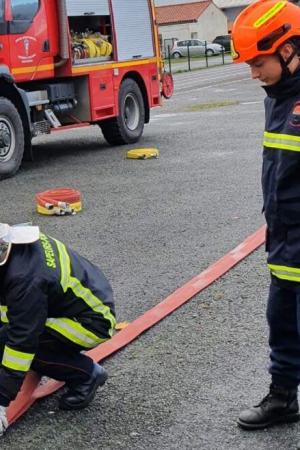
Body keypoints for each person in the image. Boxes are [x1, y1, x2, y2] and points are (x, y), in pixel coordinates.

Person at [0, 211, 116, 439]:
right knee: (6, 339)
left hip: (92, 321)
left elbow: (22, 342)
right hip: (72, 304)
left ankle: (87, 374)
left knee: (28, 352)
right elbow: (9, 313)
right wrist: (1, 361)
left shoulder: (25, 279)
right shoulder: (12, 249)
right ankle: (7, 360)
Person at [231, 0, 300, 431]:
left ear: (288, 49)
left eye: (258, 63)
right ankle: (283, 398)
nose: (253, 73)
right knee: (282, 321)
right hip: (283, 238)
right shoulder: (278, 98)